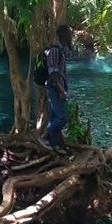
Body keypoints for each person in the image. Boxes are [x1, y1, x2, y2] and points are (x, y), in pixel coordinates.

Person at [38, 25, 73, 154]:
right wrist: (60, 90)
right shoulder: (54, 50)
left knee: (54, 117)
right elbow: (53, 73)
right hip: (54, 87)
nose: (71, 35)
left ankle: (53, 145)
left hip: (61, 86)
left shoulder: (62, 49)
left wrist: (70, 43)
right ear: (63, 35)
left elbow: (71, 54)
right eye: (69, 33)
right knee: (62, 117)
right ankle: (44, 137)